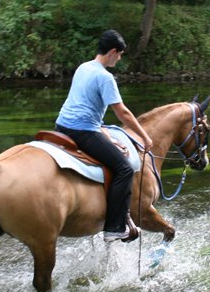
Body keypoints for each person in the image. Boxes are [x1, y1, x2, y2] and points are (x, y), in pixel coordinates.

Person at [55, 30, 155, 242]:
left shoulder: (83, 67)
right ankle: (114, 228)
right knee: (124, 169)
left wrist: (108, 138)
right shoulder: (105, 77)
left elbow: (85, 106)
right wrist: (145, 137)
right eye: (120, 55)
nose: (119, 59)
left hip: (61, 126)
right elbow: (122, 113)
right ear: (112, 52)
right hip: (83, 131)